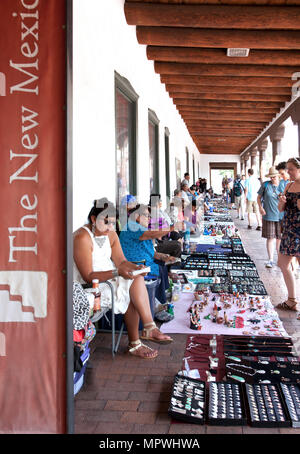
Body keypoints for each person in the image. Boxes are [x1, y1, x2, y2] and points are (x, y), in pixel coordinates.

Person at [73, 198, 173, 360]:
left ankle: (147, 328)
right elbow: (88, 276)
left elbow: (121, 262)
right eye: (106, 223)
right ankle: (137, 340)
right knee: (130, 285)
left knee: (136, 278)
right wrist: (118, 272)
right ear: (93, 219)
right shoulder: (82, 237)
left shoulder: (111, 234)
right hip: (87, 286)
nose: (110, 228)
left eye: (113, 223)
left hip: (109, 279)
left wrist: (135, 268)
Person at [119, 203, 177, 304]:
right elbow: (151, 234)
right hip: (135, 264)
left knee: (162, 265)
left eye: (149, 216)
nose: (149, 219)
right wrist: (171, 228)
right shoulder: (131, 226)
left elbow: (150, 251)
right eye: (146, 216)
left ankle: (161, 299)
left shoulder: (140, 228)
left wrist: (164, 257)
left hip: (144, 261)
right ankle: (159, 302)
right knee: (158, 268)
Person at [277, 157, 300, 311]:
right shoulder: (288, 185)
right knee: (283, 264)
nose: (288, 172)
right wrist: (282, 202)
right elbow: (280, 209)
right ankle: (291, 300)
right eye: (287, 169)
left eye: (291, 169)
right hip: (288, 231)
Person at [257, 167, 281, 268]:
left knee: (279, 239)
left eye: (274, 177)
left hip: (281, 216)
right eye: (271, 177)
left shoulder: (284, 185)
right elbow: (258, 197)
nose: (272, 179)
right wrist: (260, 207)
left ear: (278, 176)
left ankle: (280, 260)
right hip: (268, 216)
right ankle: (270, 259)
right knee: (270, 238)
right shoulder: (266, 185)